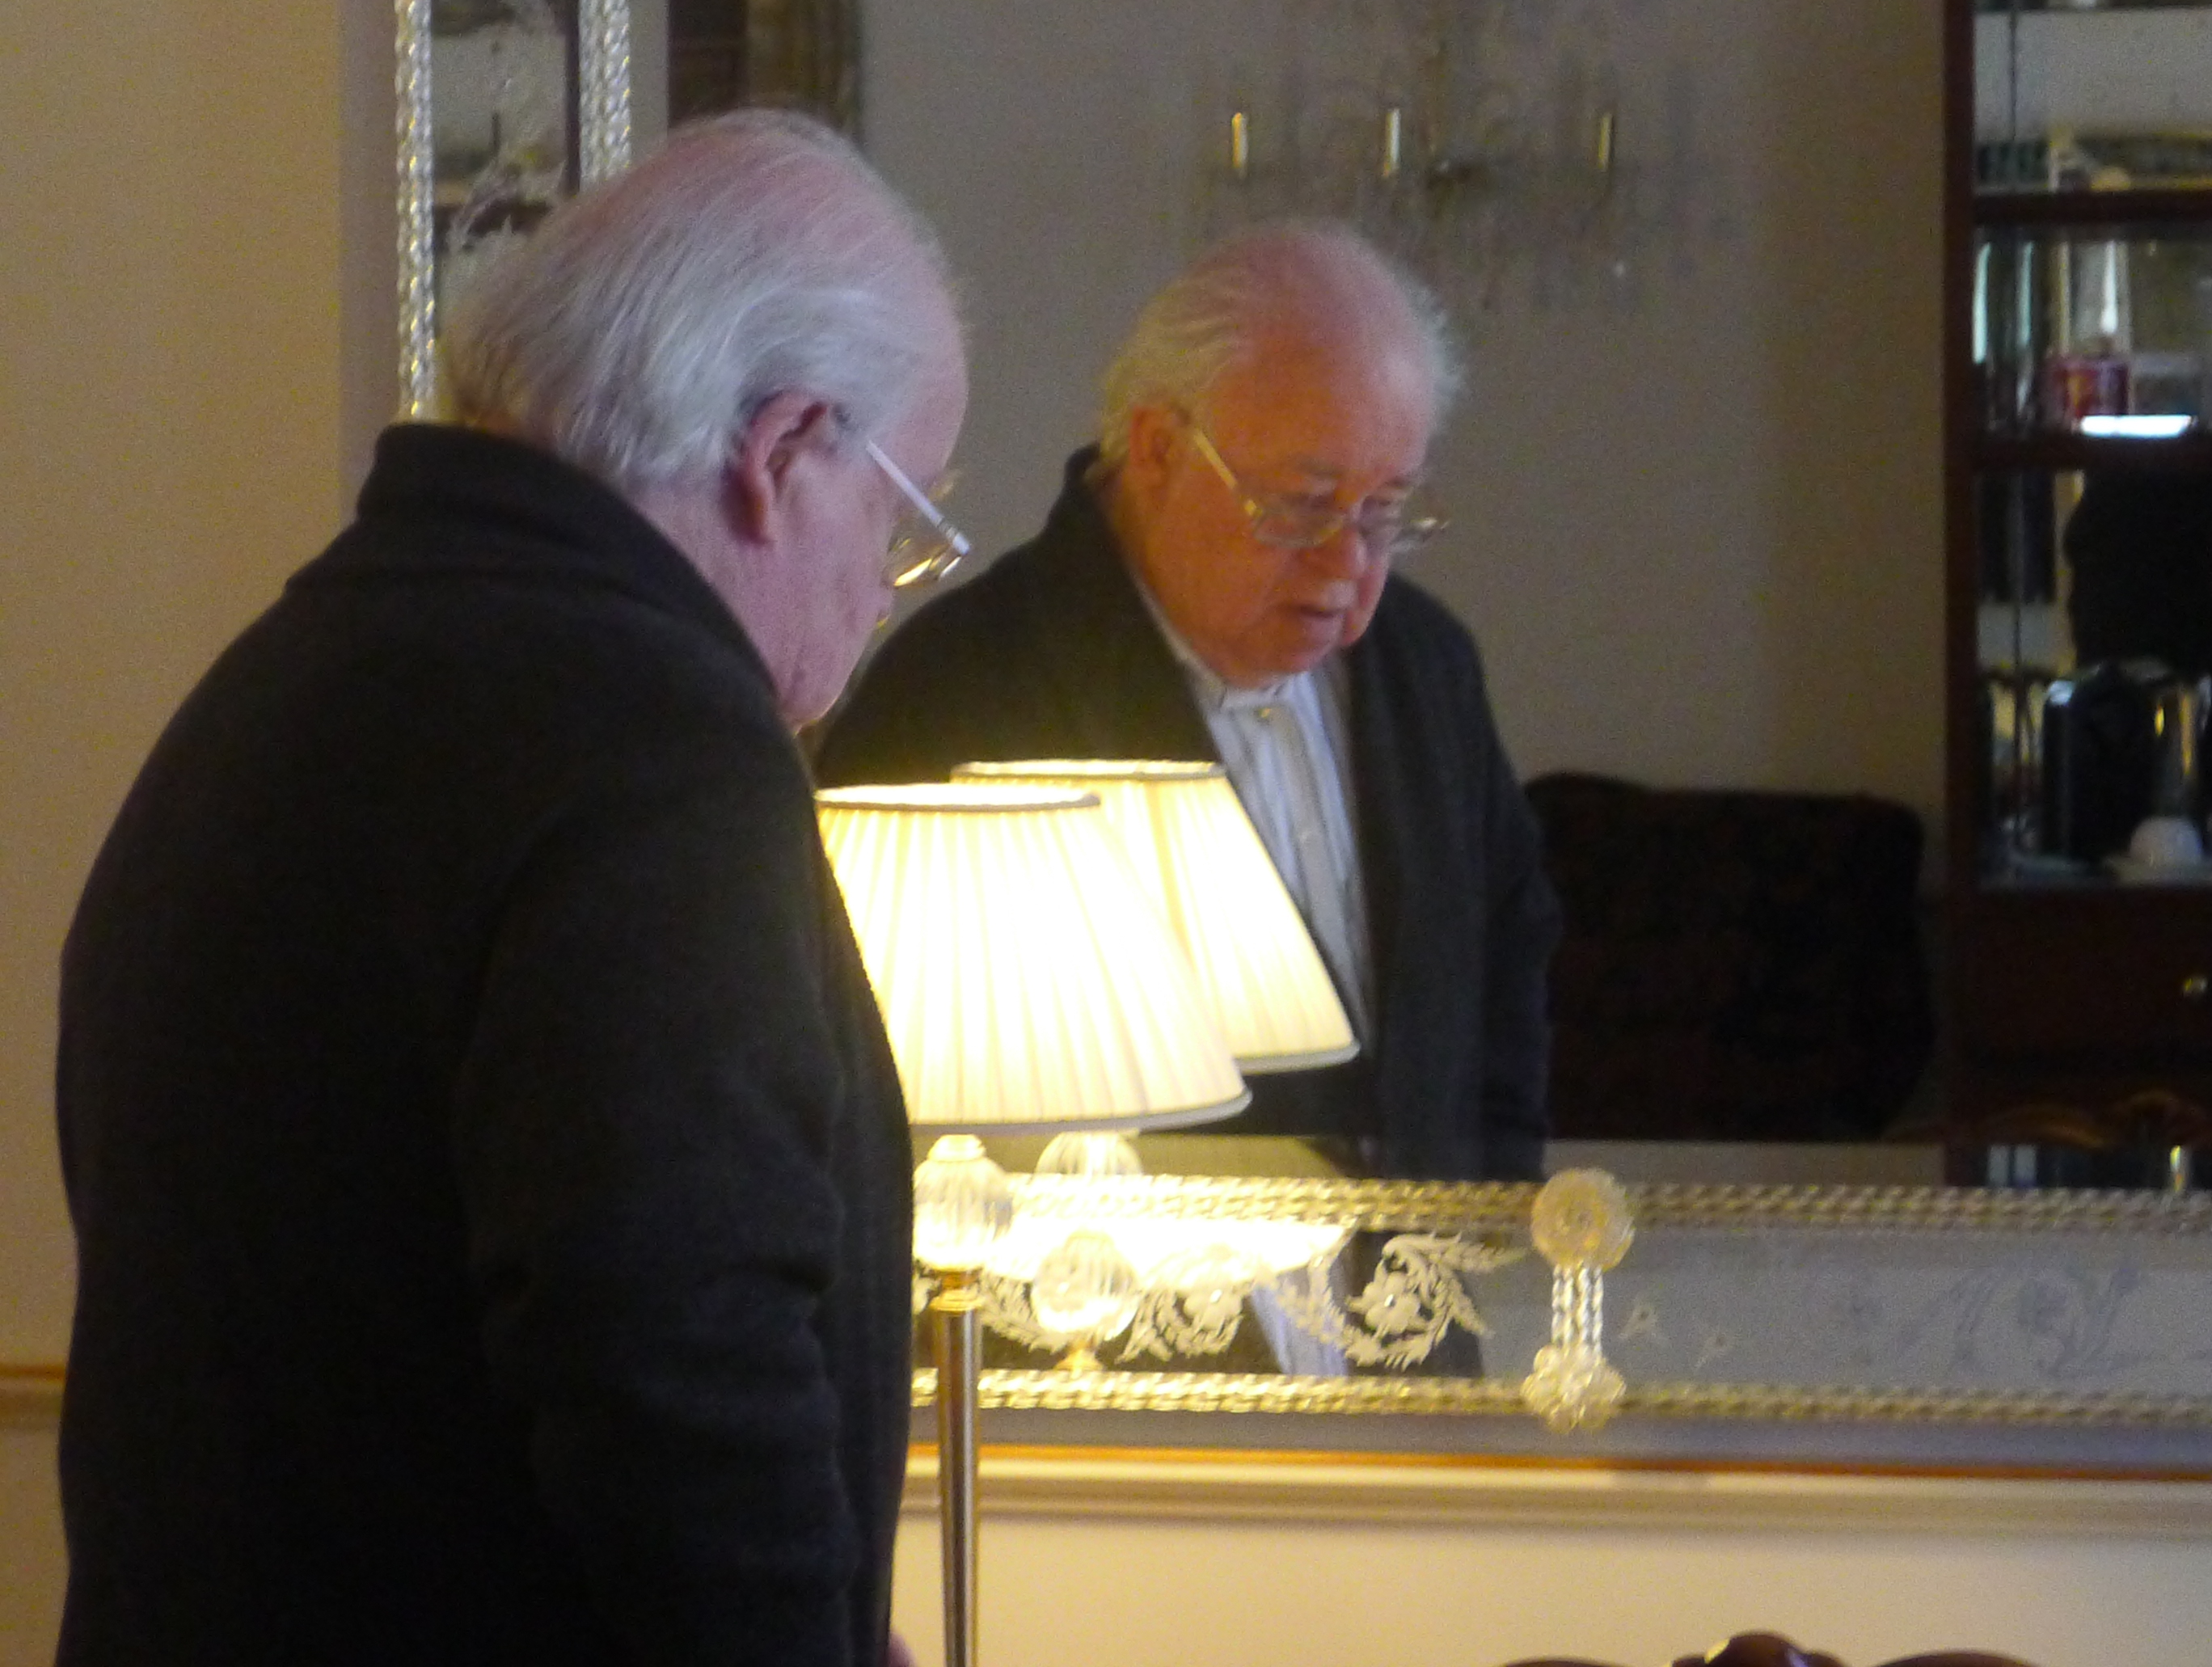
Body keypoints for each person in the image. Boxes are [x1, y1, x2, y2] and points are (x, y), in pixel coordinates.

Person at [56, 111, 967, 1666]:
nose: (885, 596)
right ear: (781, 452)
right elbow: (683, 1366)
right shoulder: (655, 743)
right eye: (901, 520)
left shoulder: (283, 675)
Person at [819, 221, 1557, 1179]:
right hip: (1107, 1262)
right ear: (1159, 448)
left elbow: (1505, 967)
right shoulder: (962, 687)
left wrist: (1491, 1217)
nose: (1347, 564)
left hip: (1425, 1259)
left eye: (1383, 511)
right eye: (1302, 505)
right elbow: (871, 1074)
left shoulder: (1427, 665)